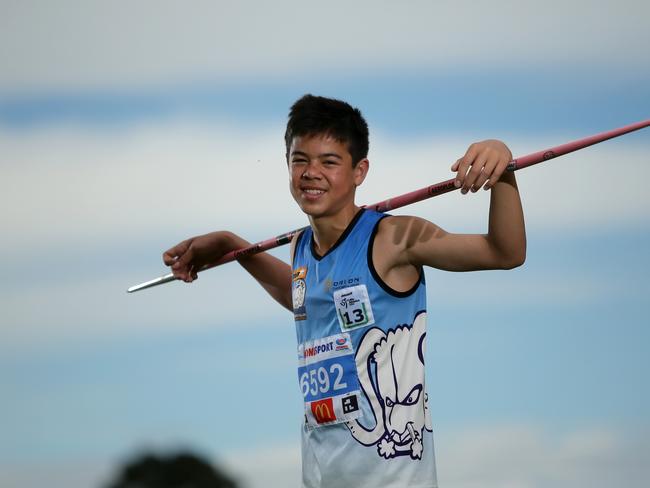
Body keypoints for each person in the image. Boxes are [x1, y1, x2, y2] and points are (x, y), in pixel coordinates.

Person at [163, 95, 526, 488]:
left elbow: (504, 252)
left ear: (360, 171)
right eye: (299, 159)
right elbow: (304, 300)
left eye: (329, 161)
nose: (310, 172)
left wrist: (502, 166)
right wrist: (229, 245)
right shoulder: (301, 247)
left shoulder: (395, 238)